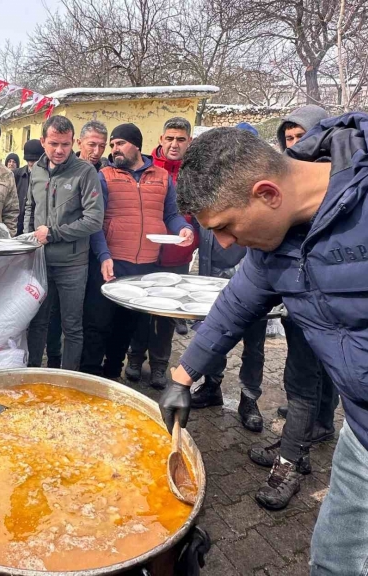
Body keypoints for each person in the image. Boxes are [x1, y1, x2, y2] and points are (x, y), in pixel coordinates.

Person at [159, 116, 368, 574]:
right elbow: (235, 305)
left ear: (268, 194)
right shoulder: (273, 245)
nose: (224, 242)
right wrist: (182, 376)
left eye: (227, 226)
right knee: (333, 566)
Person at [240, 105, 339, 509]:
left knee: (302, 382)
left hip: (326, 303)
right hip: (304, 300)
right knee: (310, 376)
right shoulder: (291, 184)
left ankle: (291, 464)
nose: (296, 145)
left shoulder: (335, 185)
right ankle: (305, 434)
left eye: (304, 136)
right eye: (290, 138)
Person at [81, 123, 194, 379]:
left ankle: (111, 375)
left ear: (136, 145)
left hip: (145, 266)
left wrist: (183, 229)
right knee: (98, 323)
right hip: (111, 263)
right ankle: (89, 375)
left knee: (126, 325)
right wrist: (103, 256)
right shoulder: (105, 176)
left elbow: (172, 214)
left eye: (119, 143)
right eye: (112, 145)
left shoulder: (162, 177)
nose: (114, 149)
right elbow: (96, 222)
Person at [182, 122, 267, 434]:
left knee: (254, 345)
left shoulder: (260, 194)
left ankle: (249, 398)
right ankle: (211, 386)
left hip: (251, 279)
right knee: (212, 334)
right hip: (211, 277)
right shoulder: (213, 186)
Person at [25, 116, 104, 370]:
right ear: (42, 142)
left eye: (66, 144)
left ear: (74, 143)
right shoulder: (36, 170)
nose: (59, 150)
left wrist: (54, 233)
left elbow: (94, 220)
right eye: (53, 144)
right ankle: (34, 371)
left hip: (72, 264)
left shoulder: (85, 172)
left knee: (72, 326)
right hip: (39, 262)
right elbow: (30, 208)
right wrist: (28, 243)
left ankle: (69, 380)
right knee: (36, 322)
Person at [127, 117, 198, 389]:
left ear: (189, 142)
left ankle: (159, 365)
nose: (174, 144)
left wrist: (192, 237)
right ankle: (134, 359)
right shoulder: (146, 167)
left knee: (166, 316)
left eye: (180, 139)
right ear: (161, 139)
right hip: (145, 254)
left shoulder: (196, 171)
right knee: (140, 311)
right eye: (169, 138)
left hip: (177, 257)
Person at [14, 139, 44, 236]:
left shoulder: (45, 178)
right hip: (15, 227)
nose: (31, 163)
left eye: (34, 160)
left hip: (35, 229)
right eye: (28, 160)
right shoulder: (15, 175)